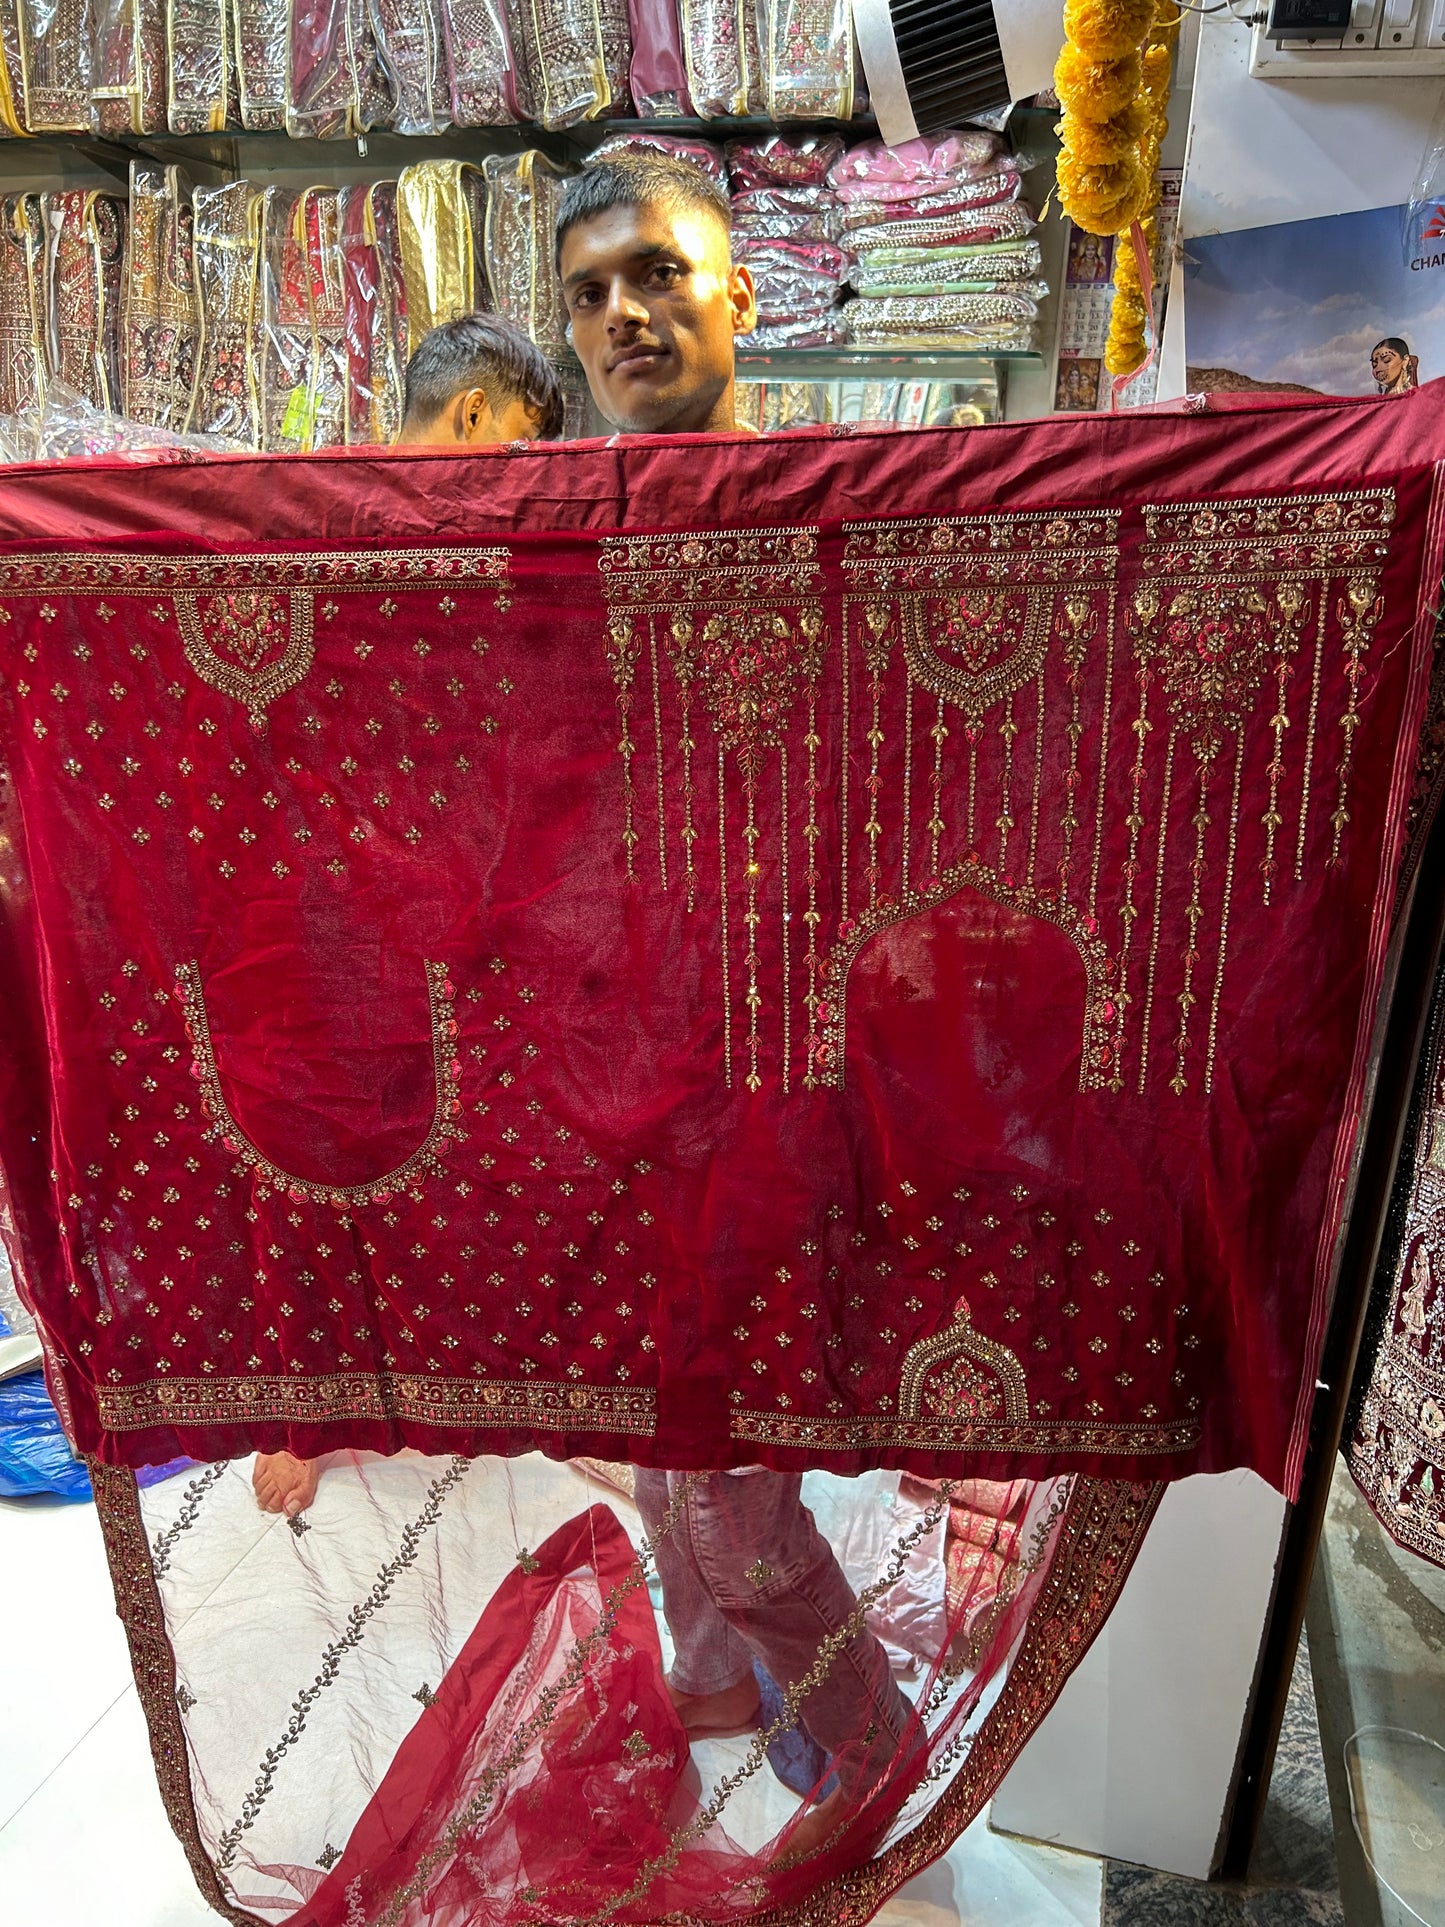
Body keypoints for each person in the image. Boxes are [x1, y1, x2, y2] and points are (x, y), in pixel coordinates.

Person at [555, 152, 913, 1861]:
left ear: (741, 295)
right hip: (607, 1066)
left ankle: (872, 1747)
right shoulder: (549, 538)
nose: (627, 311)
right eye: (592, 292)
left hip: (778, 1077)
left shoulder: (841, 510)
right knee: (654, 1428)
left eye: (661, 275)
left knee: (731, 1468)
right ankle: (709, 1689)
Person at [251, 313, 563, 1523]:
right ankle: (313, 1415)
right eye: (522, 453)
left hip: (429, 897)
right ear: (476, 418)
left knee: (438, 1141)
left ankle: (429, 1373)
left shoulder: (340, 520)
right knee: (311, 1158)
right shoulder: (314, 519)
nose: (522, 484)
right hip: (321, 915)